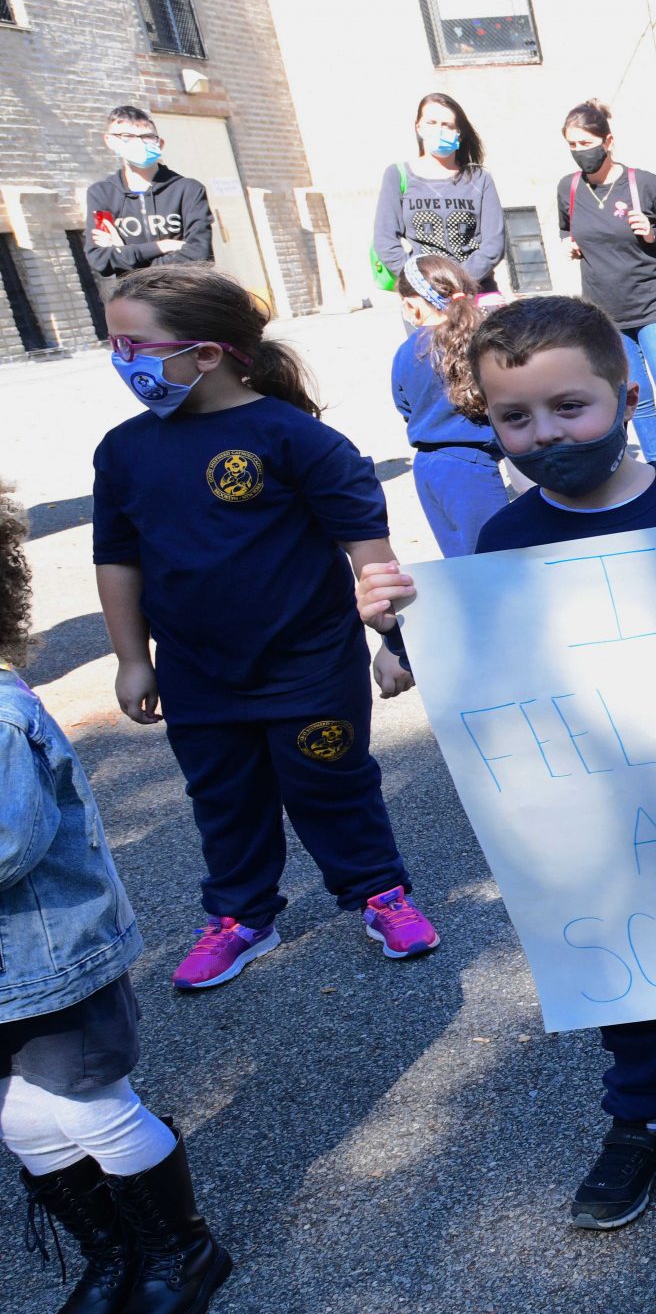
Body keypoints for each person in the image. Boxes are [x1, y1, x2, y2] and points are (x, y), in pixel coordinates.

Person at [355, 296, 656, 1226]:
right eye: (514, 419)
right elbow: (481, 664)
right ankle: (644, 1118)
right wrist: (402, 631)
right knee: (633, 970)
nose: (544, 435)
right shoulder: (504, 540)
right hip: (601, 818)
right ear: (487, 422)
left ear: (624, 396)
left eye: (568, 407)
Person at [91, 268, 440, 993]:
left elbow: (370, 557)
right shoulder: (123, 451)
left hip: (309, 667)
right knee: (223, 797)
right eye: (113, 342)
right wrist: (133, 658)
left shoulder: (298, 440)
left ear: (208, 354)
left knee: (333, 782)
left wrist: (393, 638)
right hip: (196, 673)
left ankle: (379, 892)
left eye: (136, 344)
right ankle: (241, 916)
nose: (123, 358)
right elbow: (117, 560)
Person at [4, 480, 232, 1314]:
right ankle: (111, 1251)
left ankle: (181, 1248)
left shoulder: (0, 715)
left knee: (91, 1103)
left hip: (51, 961)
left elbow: (7, 845)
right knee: (20, 1117)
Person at [556, 99, 656, 476]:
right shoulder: (569, 189)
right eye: (573, 146)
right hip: (606, 314)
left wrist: (655, 232)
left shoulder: (643, 184)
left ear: (608, 141)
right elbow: (566, 226)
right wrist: (567, 242)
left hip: (654, 304)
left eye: (586, 143)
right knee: (635, 400)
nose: (581, 153)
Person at [389, 254, 510, 558]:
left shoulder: (407, 352)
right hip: (473, 466)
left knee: (459, 562)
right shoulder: (481, 343)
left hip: (428, 469)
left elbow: (405, 407)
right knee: (495, 559)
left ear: (411, 305)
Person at [372, 93, 506, 289]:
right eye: (432, 122)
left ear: (458, 131)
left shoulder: (479, 178)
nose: (439, 130)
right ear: (419, 127)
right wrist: (421, 284)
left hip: (475, 292)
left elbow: (493, 245)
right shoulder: (397, 175)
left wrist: (457, 283)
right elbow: (385, 242)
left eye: (447, 125)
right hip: (423, 295)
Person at [82, 106, 212, 284]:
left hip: (185, 298)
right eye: (126, 137)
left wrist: (126, 253)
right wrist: (163, 246)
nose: (139, 144)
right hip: (137, 302)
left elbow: (200, 255)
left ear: (160, 143)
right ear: (110, 141)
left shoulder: (188, 189)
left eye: (147, 137)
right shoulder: (102, 193)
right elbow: (101, 261)